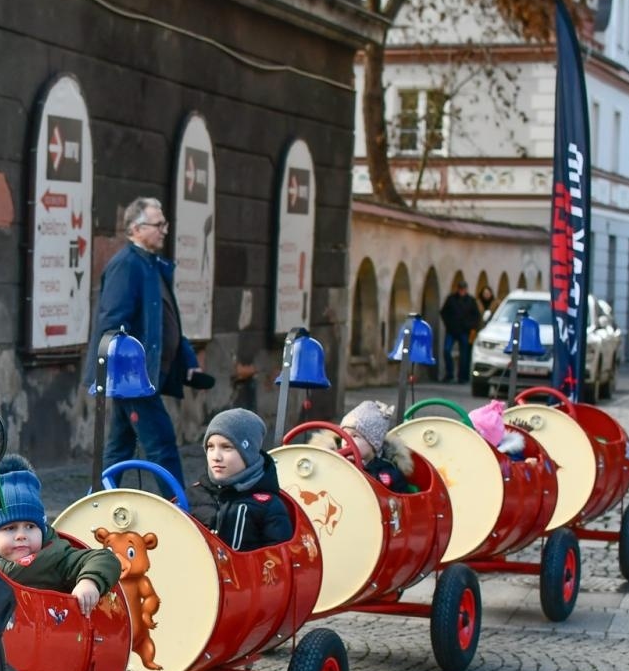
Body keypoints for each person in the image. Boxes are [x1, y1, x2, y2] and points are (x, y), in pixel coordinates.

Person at [84, 196, 214, 494]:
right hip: (132, 378)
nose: (164, 230)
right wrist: (126, 375)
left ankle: (95, 504)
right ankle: (177, 508)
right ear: (135, 228)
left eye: (164, 223)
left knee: (119, 448)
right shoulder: (126, 265)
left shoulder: (151, 264)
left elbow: (167, 321)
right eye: (158, 224)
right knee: (161, 442)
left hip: (140, 377)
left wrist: (188, 363)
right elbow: (112, 324)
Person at [0, 455, 121, 615]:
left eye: (30, 526)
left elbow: (105, 558)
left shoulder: (55, 556)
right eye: (10, 528)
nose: (21, 535)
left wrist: (89, 581)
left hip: (48, 626)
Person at [194, 408, 294, 552]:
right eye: (210, 447)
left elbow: (278, 558)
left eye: (226, 447)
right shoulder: (194, 495)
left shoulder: (268, 506)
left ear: (249, 453)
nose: (216, 457)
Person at [314, 400, 416, 493]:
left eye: (355, 436)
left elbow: (400, 499)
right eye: (344, 435)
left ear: (373, 443)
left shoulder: (388, 472)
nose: (347, 441)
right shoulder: (336, 463)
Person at [439, 279, 482, 383]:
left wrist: (470, 326)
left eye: (464, 289)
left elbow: (476, 316)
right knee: (447, 350)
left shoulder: (471, 301)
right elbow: (443, 312)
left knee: (464, 355)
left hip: (464, 331)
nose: (462, 291)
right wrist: (448, 324)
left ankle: (462, 376)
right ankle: (449, 374)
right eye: (460, 289)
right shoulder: (451, 299)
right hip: (452, 330)